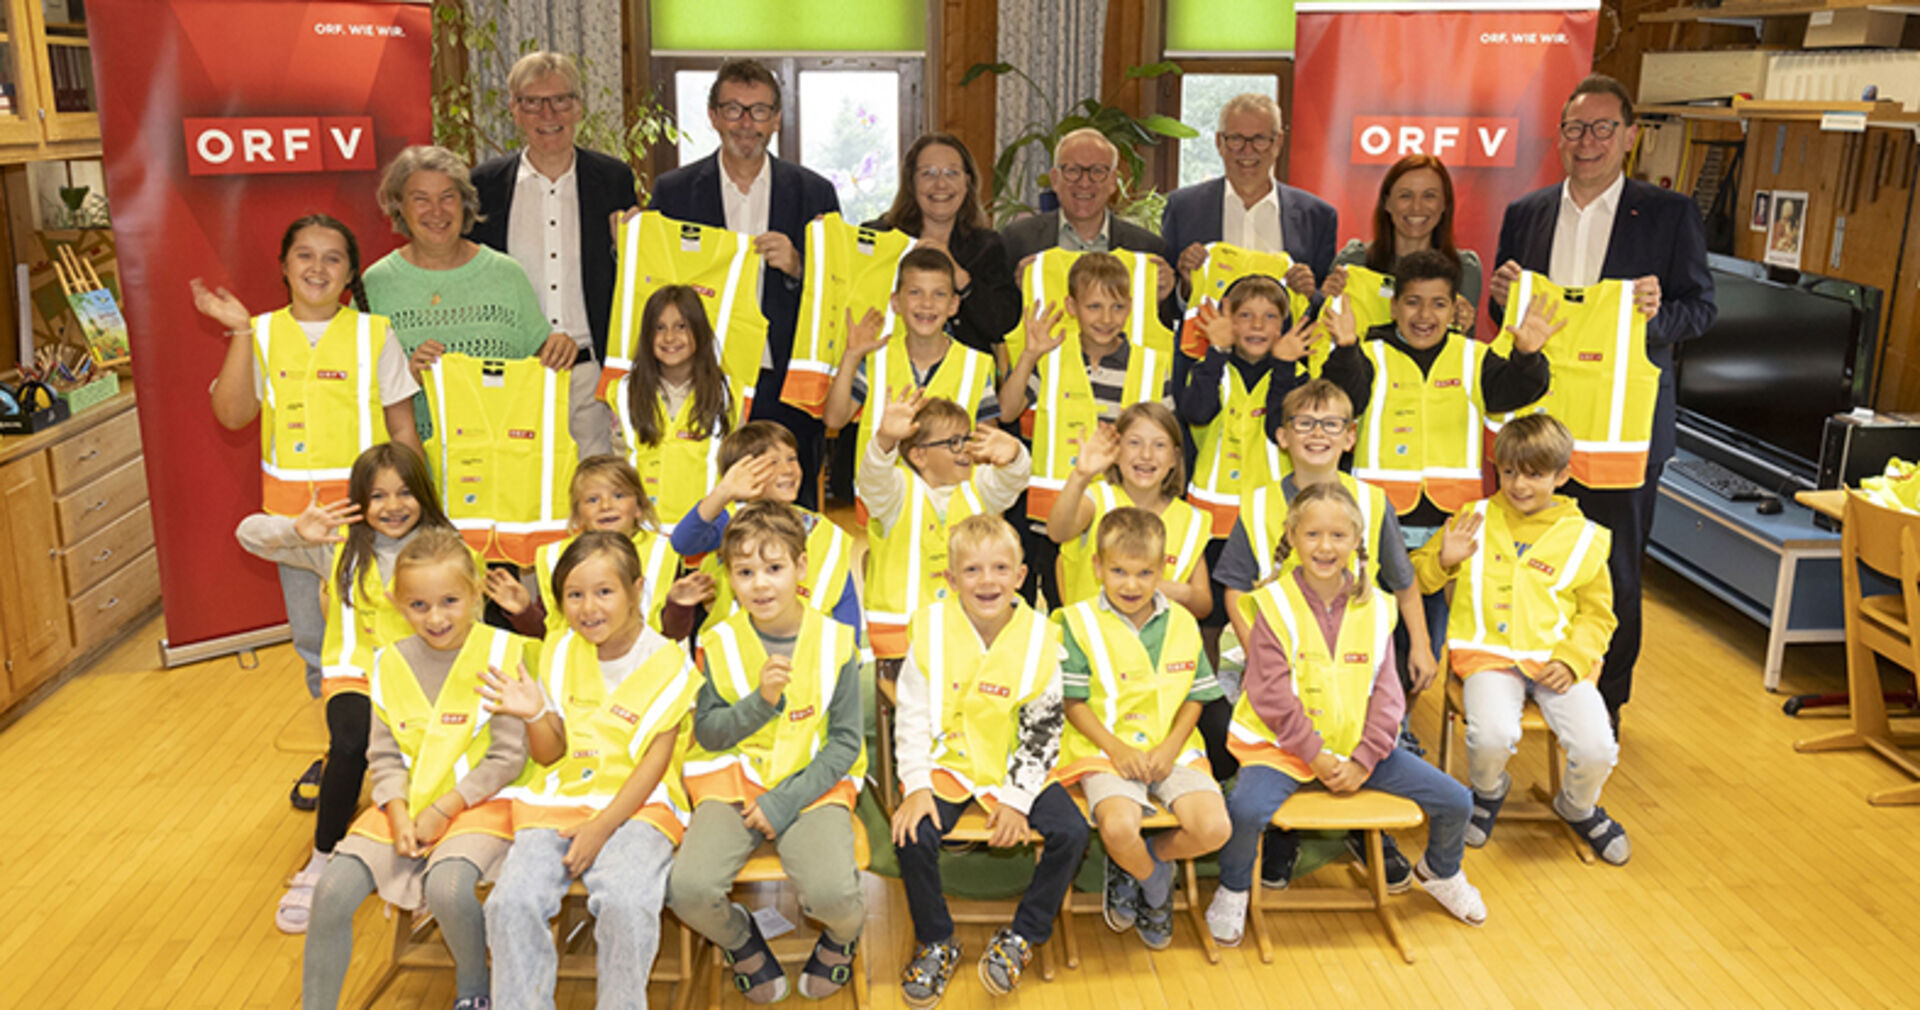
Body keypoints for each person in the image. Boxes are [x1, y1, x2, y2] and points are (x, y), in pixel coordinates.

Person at [1487, 73, 1716, 728]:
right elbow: (1504, 320)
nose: (1586, 142)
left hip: (1621, 434)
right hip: (1538, 434)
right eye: (1574, 129)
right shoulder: (1526, 213)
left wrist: (1651, 315)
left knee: (1613, 569)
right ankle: (1519, 682)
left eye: (1602, 128)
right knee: (1526, 559)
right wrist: (1501, 298)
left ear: (1629, 137)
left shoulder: (1668, 214)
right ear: (1558, 137)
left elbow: (1699, 310)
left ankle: (1602, 704)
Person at [195, 213, 423, 804]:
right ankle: (341, 750)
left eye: (333, 258)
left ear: (350, 274)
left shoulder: (376, 333)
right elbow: (233, 414)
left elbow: (401, 427)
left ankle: (405, 750)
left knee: (392, 633)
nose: (317, 267)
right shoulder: (263, 332)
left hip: (373, 524)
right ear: (284, 266)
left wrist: (420, 508)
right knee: (318, 645)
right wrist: (240, 332)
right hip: (295, 529)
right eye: (305, 255)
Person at [1204, 482, 1485, 947]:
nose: (1325, 546)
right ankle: (1233, 889)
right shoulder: (1272, 602)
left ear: (1358, 541)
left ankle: (1441, 871)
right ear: (1292, 536)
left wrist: (1364, 759)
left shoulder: (1379, 606)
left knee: (1457, 801)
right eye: (1312, 534)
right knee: (1245, 809)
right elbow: (1271, 695)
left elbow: (1387, 694)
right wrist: (1316, 758)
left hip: (1360, 748)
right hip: (1283, 749)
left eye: (1338, 536)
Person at [1209, 379, 1429, 887]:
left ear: (1350, 436)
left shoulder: (1373, 504)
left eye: (1330, 424)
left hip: (1349, 664)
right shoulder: (1259, 502)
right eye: (1305, 423)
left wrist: (1418, 644)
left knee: (1368, 734)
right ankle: (1282, 837)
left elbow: (1404, 582)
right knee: (1275, 739)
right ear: (1283, 437)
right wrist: (1261, 656)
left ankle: (1364, 829)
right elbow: (1232, 591)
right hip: (1272, 663)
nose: (1317, 433)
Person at [301, 528, 532, 1010]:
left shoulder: (503, 653)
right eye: (419, 606)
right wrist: (401, 813)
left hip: (481, 804)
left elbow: (508, 759)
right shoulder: (387, 662)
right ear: (398, 605)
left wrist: (443, 810)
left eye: (450, 600)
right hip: (404, 806)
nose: (436, 617)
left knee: (447, 887)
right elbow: (382, 756)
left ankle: (473, 992)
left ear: (474, 594)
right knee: (332, 890)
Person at [481, 532, 703, 1010]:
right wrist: (534, 715)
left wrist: (602, 828)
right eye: (574, 595)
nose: (588, 608)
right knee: (509, 902)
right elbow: (548, 755)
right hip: (557, 803)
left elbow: (655, 764)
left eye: (604, 592)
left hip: (641, 807)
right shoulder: (559, 650)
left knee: (625, 902)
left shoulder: (667, 661)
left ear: (635, 590)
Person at [234, 443, 450, 933]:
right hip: (355, 677)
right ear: (359, 501)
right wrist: (294, 529)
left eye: (403, 493)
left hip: (424, 680)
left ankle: (428, 864)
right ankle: (322, 857)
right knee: (351, 742)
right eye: (377, 496)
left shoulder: (443, 544)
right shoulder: (336, 542)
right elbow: (246, 534)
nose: (392, 506)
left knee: (442, 746)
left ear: (423, 496)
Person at [1319, 250, 1556, 690]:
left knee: (1424, 634)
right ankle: (1376, 725)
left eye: (1439, 303)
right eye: (1412, 302)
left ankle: (1402, 725)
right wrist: (1347, 349)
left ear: (1456, 309)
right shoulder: (1370, 355)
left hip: (1447, 526)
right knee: (1371, 630)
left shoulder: (1475, 358)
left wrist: (1527, 356)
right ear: (1394, 306)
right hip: (1378, 521)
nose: (1424, 314)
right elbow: (1345, 396)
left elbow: (1517, 391)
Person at [668, 502, 866, 1004]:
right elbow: (710, 734)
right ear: (729, 576)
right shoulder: (718, 640)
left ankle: (841, 939)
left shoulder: (837, 640)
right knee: (687, 891)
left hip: (812, 783)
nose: (760, 584)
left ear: (800, 568)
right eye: (745, 571)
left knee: (837, 898)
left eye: (774, 568)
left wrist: (782, 804)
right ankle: (741, 939)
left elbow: (845, 741)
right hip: (733, 780)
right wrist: (761, 704)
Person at [1413, 413, 1629, 866]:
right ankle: (1488, 792)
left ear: (1562, 475)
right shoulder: (1473, 517)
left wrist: (1572, 660)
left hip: (1558, 663)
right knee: (1491, 735)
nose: (1519, 484)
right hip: (1487, 658)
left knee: (1597, 746)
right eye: (1509, 471)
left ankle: (1577, 807)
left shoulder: (1585, 539)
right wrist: (1444, 561)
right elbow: (1417, 580)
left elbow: (1599, 616)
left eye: (1534, 474)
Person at [890, 513, 1089, 1003]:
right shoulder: (931, 628)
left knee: (1072, 832)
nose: (987, 581)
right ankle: (936, 940)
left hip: (1019, 763)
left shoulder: (1042, 637)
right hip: (951, 762)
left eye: (1001, 568)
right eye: (973, 571)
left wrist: (1018, 800)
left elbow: (1043, 732)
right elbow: (910, 716)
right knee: (913, 832)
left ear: (1021, 576)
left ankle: (1023, 935)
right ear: (953, 578)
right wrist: (915, 786)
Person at [649, 58, 841, 511]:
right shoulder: (673, 192)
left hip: (786, 378)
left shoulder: (814, 192)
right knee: (702, 494)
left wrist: (799, 266)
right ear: (713, 115)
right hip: (700, 378)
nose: (746, 123)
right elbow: (656, 286)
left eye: (758, 111)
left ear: (777, 119)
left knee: (789, 502)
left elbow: (836, 289)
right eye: (733, 109)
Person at [1053, 507, 1231, 951]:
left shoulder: (1184, 622)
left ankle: (1148, 860)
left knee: (1214, 829)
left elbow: (1197, 695)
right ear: (1097, 567)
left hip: (1172, 747)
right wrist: (1116, 750)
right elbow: (1072, 702)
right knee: (1118, 827)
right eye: (1118, 571)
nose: (1130, 585)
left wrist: (1171, 748)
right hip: (1103, 748)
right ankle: (1153, 883)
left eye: (1144, 573)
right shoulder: (1074, 622)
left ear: (1162, 569)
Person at [471, 51, 640, 458]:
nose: (548, 113)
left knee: (596, 491)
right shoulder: (484, 185)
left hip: (591, 375)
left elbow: (632, 274)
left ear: (579, 107)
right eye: (533, 101)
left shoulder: (613, 178)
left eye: (561, 100)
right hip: (513, 369)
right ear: (514, 109)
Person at [999, 251, 1175, 604]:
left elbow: (1168, 441)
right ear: (1072, 306)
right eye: (1094, 307)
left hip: (1122, 519)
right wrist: (1030, 354)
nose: (1107, 318)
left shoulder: (1153, 365)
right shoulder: (1050, 358)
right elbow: (1007, 411)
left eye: (1117, 307)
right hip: (1052, 519)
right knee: (1059, 605)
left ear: (1130, 307)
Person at [363, 145, 573, 436]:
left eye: (447, 197)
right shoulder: (374, 285)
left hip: (500, 462)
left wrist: (558, 347)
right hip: (412, 469)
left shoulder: (506, 275)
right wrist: (406, 378)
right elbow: (356, 391)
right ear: (399, 204)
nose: (436, 211)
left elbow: (538, 367)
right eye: (420, 199)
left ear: (464, 202)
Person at [860, 390, 1030, 665]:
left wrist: (1015, 456)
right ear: (919, 456)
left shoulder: (979, 485)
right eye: (953, 442)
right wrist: (885, 440)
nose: (964, 448)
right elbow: (873, 479)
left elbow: (1012, 481)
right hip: (902, 644)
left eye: (967, 438)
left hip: (967, 636)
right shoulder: (896, 490)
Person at [671, 421, 862, 639]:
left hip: (808, 654)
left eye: (792, 459)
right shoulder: (730, 520)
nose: (788, 469)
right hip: (737, 655)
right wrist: (723, 492)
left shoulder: (825, 531)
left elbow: (844, 599)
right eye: (772, 463)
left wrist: (848, 654)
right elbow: (683, 542)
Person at [825, 245, 999, 482]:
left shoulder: (975, 365)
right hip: (884, 509)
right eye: (915, 292)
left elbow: (989, 444)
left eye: (939, 294)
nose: (927, 303)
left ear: (953, 305)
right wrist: (851, 356)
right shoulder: (877, 359)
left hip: (951, 508)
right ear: (896, 302)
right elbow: (834, 419)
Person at [483, 454, 692, 639]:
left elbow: (672, 633)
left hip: (645, 672)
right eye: (592, 499)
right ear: (577, 514)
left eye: (618, 496)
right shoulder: (554, 556)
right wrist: (523, 611)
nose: (606, 506)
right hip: (577, 678)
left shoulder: (664, 552)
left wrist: (680, 607)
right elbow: (549, 633)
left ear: (639, 507)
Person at [1160, 93, 1338, 302]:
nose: (1247, 151)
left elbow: (1327, 304)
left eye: (1259, 139)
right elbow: (1164, 300)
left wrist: (1309, 293)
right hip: (1203, 334)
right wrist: (1186, 284)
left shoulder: (1318, 216)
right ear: (1220, 142)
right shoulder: (1183, 208)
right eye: (1236, 139)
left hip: (1288, 335)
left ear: (1277, 142)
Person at [866, 132, 1021, 366]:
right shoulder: (878, 237)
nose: (940, 184)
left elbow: (1003, 325)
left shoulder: (987, 245)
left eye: (952, 173)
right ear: (911, 182)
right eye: (928, 173)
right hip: (887, 373)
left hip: (965, 381)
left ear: (967, 182)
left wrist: (961, 278)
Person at [1048, 402, 1212, 617]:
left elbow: (1203, 606)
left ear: (1174, 457)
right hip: (1089, 643)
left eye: (1159, 445)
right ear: (1116, 451)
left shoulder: (1191, 520)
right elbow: (1058, 531)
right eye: (1134, 443)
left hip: (1153, 647)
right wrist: (1080, 476)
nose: (1146, 454)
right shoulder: (1096, 499)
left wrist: (1175, 591)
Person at [1000, 128, 1177, 308]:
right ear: (1054, 179)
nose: (1084, 183)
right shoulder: (1017, 241)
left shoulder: (1146, 249)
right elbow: (998, 324)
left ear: (1113, 182)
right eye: (1073, 170)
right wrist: (1018, 292)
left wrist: (1161, 297)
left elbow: (1163, 326)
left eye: (1098, 171)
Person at [612, 286, 740, 532]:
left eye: (681, 327)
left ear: (700, 331)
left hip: (707, 530)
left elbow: (737, 465)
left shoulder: (727, 391)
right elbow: (617, 463)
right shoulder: (624, 391)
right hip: (645, 531)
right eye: (659, 328)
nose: (670, 337)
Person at [1322, 154, 1482, 334]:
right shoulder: (1354, 261)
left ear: (1445, 204)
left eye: (1429, 196)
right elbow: (1327, 339)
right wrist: (1324, 299)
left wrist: (1462, 322)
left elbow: (1461, 348)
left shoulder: (1465, 269)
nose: (1416, 207)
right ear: (1387, 203)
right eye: (1405, 196)